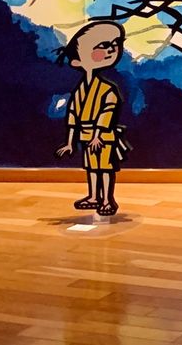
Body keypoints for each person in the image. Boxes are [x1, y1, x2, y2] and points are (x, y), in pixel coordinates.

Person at [55, 20, 130, 216]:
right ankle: (94, 197)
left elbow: (107, 112)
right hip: (86, 135)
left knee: (105, 168)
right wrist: (70, 142)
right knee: (91, 167)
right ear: (77, 61)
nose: (111, 49)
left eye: (115, 43)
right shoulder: (80, 90)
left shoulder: (108, 89)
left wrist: (97, 135)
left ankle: (106, 200)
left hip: (103, 137)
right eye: (103, 45)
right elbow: (73, 115)